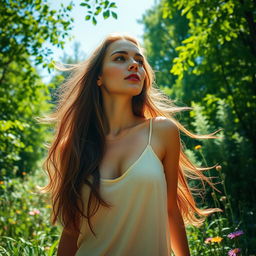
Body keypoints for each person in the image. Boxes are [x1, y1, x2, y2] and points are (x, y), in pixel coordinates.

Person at [39, 33, 223, 256]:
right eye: (120, 58)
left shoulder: (162, 131)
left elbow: (170, 211)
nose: (134, 65)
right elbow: (71, 230)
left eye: (139, 61)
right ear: (99, 77)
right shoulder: (76, 146)